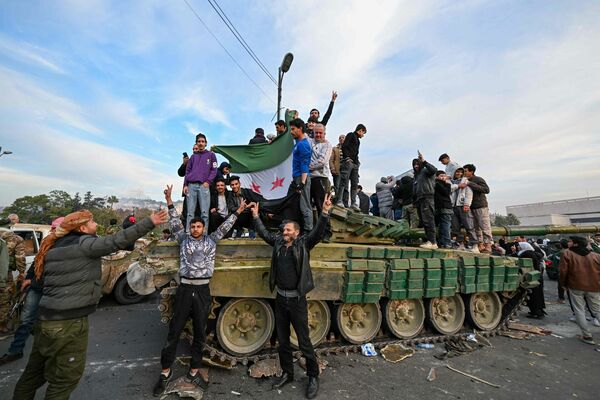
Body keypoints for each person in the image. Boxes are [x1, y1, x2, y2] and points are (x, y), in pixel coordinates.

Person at [13, 208, 167, 399]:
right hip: (69, 323)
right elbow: (116, 240)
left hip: (45, 320)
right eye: (92, 222)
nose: (96, 224)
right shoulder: (84, 244)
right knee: (64, 380)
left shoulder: (54, 247)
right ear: (83, 228)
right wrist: (150, 221)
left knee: (32, 375)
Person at [153, 185, 246, 396]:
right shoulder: (182, 239)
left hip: (203, 290)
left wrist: (238, 212)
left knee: (199, 332)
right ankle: (165, 372)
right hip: (185, 289)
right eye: (193, 226)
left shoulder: (211, 240)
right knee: (174, 332)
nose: (195, 229)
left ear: (203, 228)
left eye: (198, 226)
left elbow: (226, 226)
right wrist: (169, 200)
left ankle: (194, 370)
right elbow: (175, 221)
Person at [250, 194, 332, 399]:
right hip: (280, 299)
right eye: (283, 229)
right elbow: (263, 234)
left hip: (297, 300)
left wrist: (324, 213)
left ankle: (313, 376)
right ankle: (288, 372)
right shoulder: (278, 243)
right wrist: (256, 217)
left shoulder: (303, 243)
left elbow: (317, 233)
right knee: (283, 341)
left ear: (296, 232)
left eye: (287, 229)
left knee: (304, 341)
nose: (283, 231)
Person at [0, 217, 62, 366]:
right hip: (36, 287)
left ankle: (53, 352)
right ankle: (16, 350)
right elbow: (36, 263)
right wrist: (28, 279)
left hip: (54, 290)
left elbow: (56, 273)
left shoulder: (69, 247)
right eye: (52, 228)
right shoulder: (47, 244)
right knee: (26, 319)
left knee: (52, 323)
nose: (53, 230)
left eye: (56, 228)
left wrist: (29, 280)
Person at [559, 236, 600, 345]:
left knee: (579, 310)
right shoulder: (596, 256)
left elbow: (563, 271)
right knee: (597, 310)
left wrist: (563, 284)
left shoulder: (567, 254)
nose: (568, 243)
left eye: (570, 241)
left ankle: (587, 336)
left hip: (575, 286)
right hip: (594, 286)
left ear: (575, 243)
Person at [184, 133, 218, 232]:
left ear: (206, 143)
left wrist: (208, 181)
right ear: (196, 143)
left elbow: (214, 170)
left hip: (204, 186)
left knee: (204, 213)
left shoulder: (211, 155)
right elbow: (187, 171)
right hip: (191, 186)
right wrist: (186, 184)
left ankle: (203, 234)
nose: (200, 143)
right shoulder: (193, 157)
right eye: (199, 141)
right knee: (190, 212)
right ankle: (188, 233)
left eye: (202, 141)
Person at [460, 164, 492, 253]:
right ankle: (480, 245)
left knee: (484, 226)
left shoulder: (478, 179)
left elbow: (486, 190)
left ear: (471, 171)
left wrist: (470, 184)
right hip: (470, 207)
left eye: (466, 171)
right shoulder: (464, 180)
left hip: (480, 206)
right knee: (475, 227)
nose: (464, 172)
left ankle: (488, 245)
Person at [289, 118, 313, 231]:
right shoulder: (298, 143)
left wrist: (302, 183)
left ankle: (308, 231)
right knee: (296, 205)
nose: (291, 131)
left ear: (300, 129)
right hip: (297, 178)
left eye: (293, 129)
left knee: (305, 206)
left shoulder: (303, 145)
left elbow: (305, 165)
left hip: (302, 178)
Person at [335, 124, 367, 211]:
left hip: (355, 164)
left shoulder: (358, 141)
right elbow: (344, 146)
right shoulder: (350, 135)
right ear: (360, 130)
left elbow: (356, 153)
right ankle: (339, 200)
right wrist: (347, 158)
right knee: (343, 181)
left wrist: (357, 163)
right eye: (363, 133)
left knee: (354, 183)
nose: (363, 135)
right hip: (348, 162)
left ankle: (353, 203)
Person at [0, 229, 25, 334]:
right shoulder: (15, 239)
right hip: (5, 272)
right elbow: (19, 257)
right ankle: (2, 325)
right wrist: (22, 272)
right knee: (5, 298)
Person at [413, 154, 438, 249]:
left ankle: (433, 242)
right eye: (414, 165)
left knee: (429, 220)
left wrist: (424, 161)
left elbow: (434, 169)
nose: (415, 166)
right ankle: (429, 240)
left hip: (427, 197)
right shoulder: (417, 176)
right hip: (420, 199)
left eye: (417, 164)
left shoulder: (426, 171)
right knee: (424, 221)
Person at [449, 168, 478, 252]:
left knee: (469, 225)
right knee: (455, 227)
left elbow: (469, 193)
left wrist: (467, 204)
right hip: (453, 206)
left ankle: (474, 244)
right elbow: (448, 190)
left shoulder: (465, 180)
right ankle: (460, 243)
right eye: (457, 171)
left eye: (461, 172)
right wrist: (457, 186)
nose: (459, 173)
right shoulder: (450, 181)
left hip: (462, 205)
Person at [517, 242, 546, 319]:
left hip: (531, 277)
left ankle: (537, 313)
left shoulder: (526, 253)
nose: (518, 247)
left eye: (520, 246)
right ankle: (538, 311)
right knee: (537, 296)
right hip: (536, 276)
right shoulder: (533, 253)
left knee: (534, 296)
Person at [309, 123, 333, 216]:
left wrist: (306, 168)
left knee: (322, 207)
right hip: (308, 179)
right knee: (307, 206)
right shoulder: (309, 141)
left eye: (320, 133)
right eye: (316, 133)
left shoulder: (327, 145)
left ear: (324, 133)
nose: (318, 135)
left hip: (320, 179)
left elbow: (321, 162)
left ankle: (325, 229)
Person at [434, 171, 453, 248]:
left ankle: (442, 242)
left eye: (444, 176)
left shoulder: (445, 184)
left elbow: (446, 192)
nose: (443, 177)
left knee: (443, 225)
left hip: (442, 207)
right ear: (437, 177)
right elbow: (446, 192)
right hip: (443, 207)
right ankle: (447, 242)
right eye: (441, 176)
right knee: (445, 225)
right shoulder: (438, 184)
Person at [329, 134, 347, 206]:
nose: (341, 139)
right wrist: (332, 168)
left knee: (345, 186)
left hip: (345, 170)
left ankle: (344, 203)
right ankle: (338, 202)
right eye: (340, 138)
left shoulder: (348, 148)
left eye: (343, 137)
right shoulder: (335, 148)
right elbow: (331, 159)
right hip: (337, 170)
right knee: (337, 186)